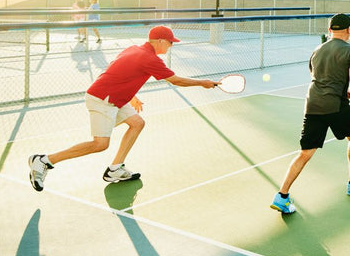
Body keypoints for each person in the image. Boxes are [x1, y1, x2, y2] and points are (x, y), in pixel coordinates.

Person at [27, 25, 219, 191]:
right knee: (100, 144)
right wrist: (203, 82)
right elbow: (175, 80)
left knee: (137, 123)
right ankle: (44, 160)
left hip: (115, 97)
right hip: (103, 99)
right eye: (170, 42)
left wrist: (132, 95)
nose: (171, 45)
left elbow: (118, 70)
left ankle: (115, 169)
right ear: (160, 41)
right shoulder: (150, 59)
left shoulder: (134, 49)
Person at [271, 13, 350, 215]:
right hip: (335, 105)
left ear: (330, 30)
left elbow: (319, 76)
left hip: (313, 103)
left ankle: (281, 196)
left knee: (305, 152)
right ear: (349, 29)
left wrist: (344, 91)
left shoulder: (317, 50)